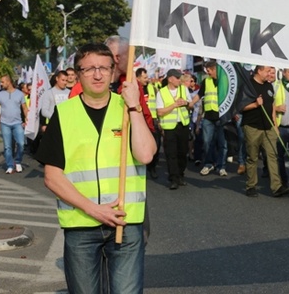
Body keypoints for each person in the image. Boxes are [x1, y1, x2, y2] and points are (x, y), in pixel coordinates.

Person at [37, 43, 156, 293]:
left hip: (126, 223)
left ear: (113, 71)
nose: (98, 74)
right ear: (77, 74)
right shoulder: (64, 113)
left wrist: (134, 107)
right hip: (81, 224)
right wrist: (95, 210)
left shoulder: (128, 107)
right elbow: (52, 177)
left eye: (104, 67)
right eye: (89, 68)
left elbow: (146, 154)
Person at [242, 65, 289, 197]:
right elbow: (241, 107)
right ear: (259, 71)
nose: (270, 73)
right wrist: (255, 105)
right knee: (252, 157)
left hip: (269, 127)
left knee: (272, 156)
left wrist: (275, 125)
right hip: (252, 127)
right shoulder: (248, 85)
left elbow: (272, 106)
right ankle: (251, 186)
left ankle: (277, 186)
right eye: (267, 71)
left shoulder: (269, 86)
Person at [189, 60, 228, 176]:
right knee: (206, 142)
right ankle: (209, 164)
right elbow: (200, 94)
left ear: (215, 69)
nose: (207, 72)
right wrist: (191, 103)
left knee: (222, 144)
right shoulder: (206, 81)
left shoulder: (225, 81)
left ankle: (221, 166)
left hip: (221, 117)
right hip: (208, 117)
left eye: (209, 70)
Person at [156, 69, 191, 190]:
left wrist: (185, 102)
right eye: (177, 78)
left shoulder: (184, 89)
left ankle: (180, 175)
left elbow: (190, 104)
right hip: (170, 127)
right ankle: (173, 178)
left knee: (182, 152)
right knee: (171, 153)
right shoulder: (162, 92)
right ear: (170, 79)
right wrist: (174, 105)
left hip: (183, 125)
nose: (179, 80)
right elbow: (160, 112)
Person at [0, 75, 28, 174]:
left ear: (8, 82)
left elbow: (24, 108)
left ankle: (18, 161)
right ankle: (10, 165)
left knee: (21, 144)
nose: (1, 84)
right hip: (5, 124)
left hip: (17, 123)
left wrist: (27, 119)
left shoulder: (20, 94)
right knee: (7, 146)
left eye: (3, 82)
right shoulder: (0, 94)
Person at [136, 67, 160, 179]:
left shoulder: (153, 88)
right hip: (140, 120)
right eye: (144, 77)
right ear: (138, 78)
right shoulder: (135, 88)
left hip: (153, 120)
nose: (147, 79)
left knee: (156, 145)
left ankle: (152, 167)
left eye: (147, 77)